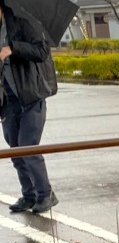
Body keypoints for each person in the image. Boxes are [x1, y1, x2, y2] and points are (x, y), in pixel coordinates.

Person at [0, 0, 58, 214]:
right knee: (15, 150)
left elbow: (42, 51)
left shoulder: (22, 19)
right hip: (8, 100)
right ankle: (29, 195)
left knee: (28, 147)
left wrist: (13, 49)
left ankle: (46, 194)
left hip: (30, 95)